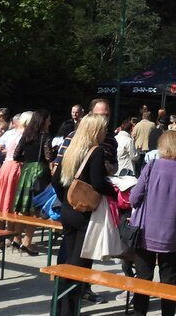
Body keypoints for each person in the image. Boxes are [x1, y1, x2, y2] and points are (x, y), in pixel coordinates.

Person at [50, 114, 116, 315]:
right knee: (78, 265)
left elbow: (55, 181)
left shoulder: (72, 148)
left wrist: (67, 199)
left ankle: (59, 306)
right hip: (83, 213)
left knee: (69, 261)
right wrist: (114, 190)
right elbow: (97, 183)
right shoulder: (96, 151)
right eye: (103, 128)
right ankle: (68, 310)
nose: (106, 132)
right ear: (95, 130)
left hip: (68, 211)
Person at [129, 130, 176, 316]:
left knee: (143, 279)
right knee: (169, 280)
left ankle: (139, 313)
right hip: (172, 233)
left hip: (145, 231)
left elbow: (135, 197)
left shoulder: (151, 166)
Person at [12, 109, 53, 255]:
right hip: (39, 172)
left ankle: (15, 239)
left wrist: (28, 161)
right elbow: (48, 157)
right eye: (48, 119)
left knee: (23, 208)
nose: (50, 122)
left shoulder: (26, 135)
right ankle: (27, 243)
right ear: (43, 121)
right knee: (35, 208)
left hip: (26, 171)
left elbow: (16, 155)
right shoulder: (45, 137)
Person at [0, 112, 31, 242]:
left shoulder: (10, 134)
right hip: (16, 166)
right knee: (12, 199)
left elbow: (1, 147)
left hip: (7, 166)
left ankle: (2, 232)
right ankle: (9, 235)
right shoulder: (26, 136)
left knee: (5, 197)